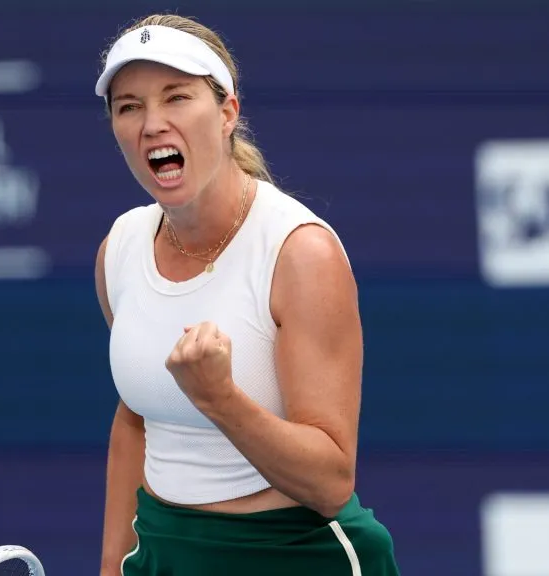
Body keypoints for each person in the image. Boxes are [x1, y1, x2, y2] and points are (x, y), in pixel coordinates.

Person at [92, 13, 401, 576]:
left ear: (228, 110)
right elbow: (135, 417)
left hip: (296, 557)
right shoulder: (119, 249)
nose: (152, 123)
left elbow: (331, 482)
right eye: (129, 106)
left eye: (176, 97)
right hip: (165, 552)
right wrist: (114, 565)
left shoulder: (300, 254)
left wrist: (219, 398)